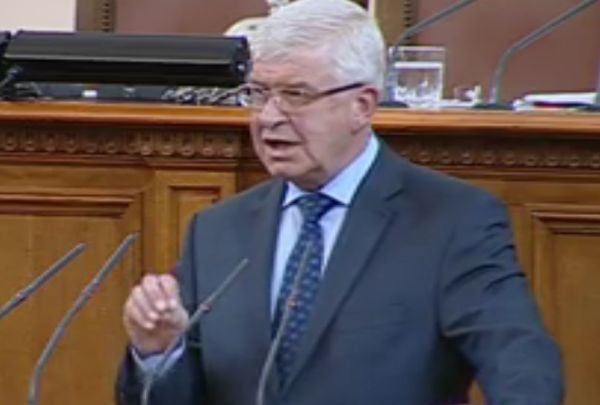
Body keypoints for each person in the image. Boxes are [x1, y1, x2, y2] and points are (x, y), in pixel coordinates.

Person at [116, 0, 563, 404]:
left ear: (362, 105)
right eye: (259, 94)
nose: (269, 117)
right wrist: (158, 354)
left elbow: (523, 368)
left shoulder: (452, 221)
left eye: (296, 95)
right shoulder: (218, 230)